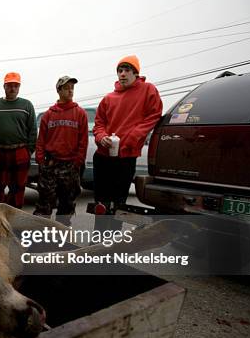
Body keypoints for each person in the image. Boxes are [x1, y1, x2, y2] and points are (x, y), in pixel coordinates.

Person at [92, 55, 162, 229]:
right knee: (101, 202)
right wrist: (102, 138)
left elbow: (154, 115)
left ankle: (113, 244)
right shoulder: (108, 98)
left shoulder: (148, 90)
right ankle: (98, 240)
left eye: (127, 70)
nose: (122, 74)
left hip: (126, 157)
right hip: (103, 157)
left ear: (136, 73)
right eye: (120, 71)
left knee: (118, 203)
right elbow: (99, 123)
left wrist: (132, 138)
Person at [33, 76, 88, 226]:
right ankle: (39, 236)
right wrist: (40, 159)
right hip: (50, 164)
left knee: (67, 204)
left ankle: (61, 235)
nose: (70, 90)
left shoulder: (80, 113)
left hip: (70, 166)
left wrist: (78, 161)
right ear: (58, 90)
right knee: (44, 203)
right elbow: (41, 140)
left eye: (72, 88)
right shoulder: (48, 115)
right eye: (66, 87)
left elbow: (83, 141)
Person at [0, 72, 37, 208]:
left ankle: (14, 219)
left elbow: (33, 130)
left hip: (19, 152)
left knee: (17, 189)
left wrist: (28, 151)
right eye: (9, 85)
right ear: (4, 87)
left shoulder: (27, 105)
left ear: (19, 87)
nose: (12, 88)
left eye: (15, 86)